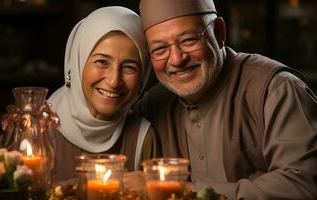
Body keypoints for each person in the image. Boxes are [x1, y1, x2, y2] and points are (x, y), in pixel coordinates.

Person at [137, 0, 317, 199]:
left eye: (188, 40)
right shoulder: (152, 105)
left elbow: (303, 185)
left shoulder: (276, 89)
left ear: (220, 33)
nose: (177, 59)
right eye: (160, 49)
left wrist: (183, 190)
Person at [47, 6, 158, 183]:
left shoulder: (143, 137)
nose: (114, 81)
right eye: (102, 62)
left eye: (129, 67)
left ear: (143, 77)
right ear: (77, 63)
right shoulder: (36, 126)